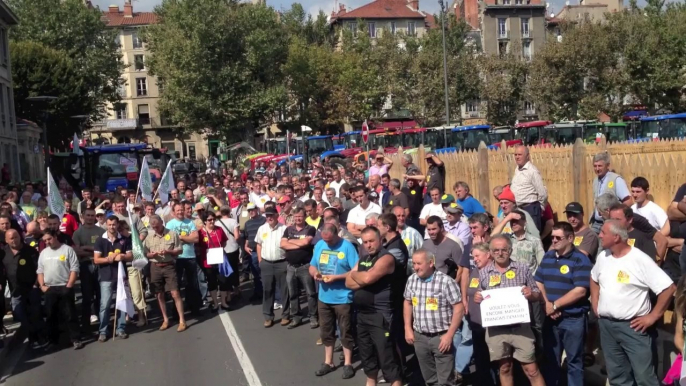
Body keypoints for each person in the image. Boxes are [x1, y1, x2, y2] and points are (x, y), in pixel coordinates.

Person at [590, 220, 675, 386]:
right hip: (607, 326)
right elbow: (594, 279)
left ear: (616, 237)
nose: (599, 235)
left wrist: (653, 316)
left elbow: (668, 288)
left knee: (644, 378)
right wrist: (595, 301)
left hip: (633, 328)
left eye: (603, 233)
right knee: (617, 377)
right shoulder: (603, 256)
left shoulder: (639, 259)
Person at [473, 235, 545, 386]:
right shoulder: (484, 272)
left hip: (521, 328)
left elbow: (537, 294)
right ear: (491, 252)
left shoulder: (522, 268)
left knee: (531, 369)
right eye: (496, 250)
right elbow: (481, 294)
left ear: (510, 250)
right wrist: (478, 297)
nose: (500, 253)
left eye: (504, 250)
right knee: (505, 368)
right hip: (496, 330)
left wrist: (530, 294)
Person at [534, 222, 593, 386]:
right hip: (550, 318)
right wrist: (548, 304)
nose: (553, 241)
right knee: (551, 359)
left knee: (574, 361)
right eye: (552, 237)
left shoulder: (580, 260)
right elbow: (538, 282)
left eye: (558, 237)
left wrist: (555, 305)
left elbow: (580, 290)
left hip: (573, 319)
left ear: (570, 238)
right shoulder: (548, 256)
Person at [346, 227, 404, 386]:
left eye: (371, 241)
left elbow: (367, 278)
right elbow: (348, 282)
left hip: (381, 317)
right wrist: (360, 277)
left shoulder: (386, 258)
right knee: (368, 362)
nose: (368, 245)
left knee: (388, 361)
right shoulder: (363, 258)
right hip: (363, 316)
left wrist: (356, 275)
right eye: (365, 242)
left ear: (380, 240)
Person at [403, 249, 463, 386]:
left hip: (441, 337)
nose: (415, 267)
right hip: (420, 337)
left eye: (419, 263)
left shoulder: (446, 282)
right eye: (414, 264)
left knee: (445, 381)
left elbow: (458, 308)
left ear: (431, 263)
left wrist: (449, 335)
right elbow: (407, 302)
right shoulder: (412, 280)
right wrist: (407, 327)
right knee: (430, 380)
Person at [309, 223, 359, 379]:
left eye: (330, 240)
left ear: (337, 234)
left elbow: (356, 270)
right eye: (325, 240)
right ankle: (328, 361)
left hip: (343, 297)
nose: (327, 243)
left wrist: (337, 277)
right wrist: (315, 273)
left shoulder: (347, 246)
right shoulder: (319, 245)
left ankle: (348, 363)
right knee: (326, 330)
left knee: (345, 330)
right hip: (324, 297)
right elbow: (312, 265)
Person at [37, 229, 83, 350]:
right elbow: (40, 270)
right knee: (51, 316)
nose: (47, 242)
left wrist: (69, 285)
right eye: (45, 240)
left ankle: (75, 339)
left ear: (55, 236)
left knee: (70, 314)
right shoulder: (43, 253)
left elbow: (74, 268)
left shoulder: (67, 249)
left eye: (49, 239)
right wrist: (42, 286)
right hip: (49, 288)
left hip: (64, 286)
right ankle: (53, 341)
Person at [0, 229, 47, 349]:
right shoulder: (3, 253)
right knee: (20, 314)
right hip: (15, 290)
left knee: (35, 314)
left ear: (20, 237)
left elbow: (39, 269)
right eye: (11, 238)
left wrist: (36, 284)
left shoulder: (30, 251)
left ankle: (38, 338)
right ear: (6, 240)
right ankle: (31, 333)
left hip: (31, 289)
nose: (14, 240)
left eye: (16, 237)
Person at [93, 215, 133, 341]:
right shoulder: (100, 240)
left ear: (117, 225)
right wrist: (108, 259)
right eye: (109, 224)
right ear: (106, 225)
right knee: (105, 304)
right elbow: (96, 260)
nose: (111, 227)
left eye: (114, 224)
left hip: (120, 276)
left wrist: (122, 257)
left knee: (121, 302)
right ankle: (103, 331)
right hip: (106, 276)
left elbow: (130, 256)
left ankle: (120, 328)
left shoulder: (125, 239)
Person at [144, 215, 186, 331]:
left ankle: (182, 320)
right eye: (153, 227)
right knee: (159, 294)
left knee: (175, 293)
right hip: (155, 267)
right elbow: (145, 253)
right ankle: (165, 319)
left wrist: (169, 251)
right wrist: (150, 255)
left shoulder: (172, 234)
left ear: (162, 223)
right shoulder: (149, 236)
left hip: (169, 266)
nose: (155, 229)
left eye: (157, 226)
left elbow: (180, 249)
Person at [280, 207, 318, 329]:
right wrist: (298, 243)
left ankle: (313, 317)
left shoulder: (310, 229)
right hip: (291, 267)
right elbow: (282, 244)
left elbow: (306, 243)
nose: (297, 219)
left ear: (304, 216)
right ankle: (296, 317)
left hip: (305, 266)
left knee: (310, 293)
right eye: (295, 216)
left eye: (300, 216)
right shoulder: (288, 229)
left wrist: (291, 242)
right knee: (293, 294)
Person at [465, 243, 496, 386]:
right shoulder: (475, 271)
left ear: (488, 254)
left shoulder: (495, 271)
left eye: (477, 255)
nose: (475, 259)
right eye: (473, 256)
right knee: (480, 360)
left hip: (491, 326)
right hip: (476, 324)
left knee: (494, 362)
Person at [166, 203, 202, 315]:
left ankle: (194, 308)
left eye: (182, 210)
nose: (180, 212)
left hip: (190, 256)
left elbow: (196, 239)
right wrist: (188, 237)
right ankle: (176, 312)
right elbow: (168, 241)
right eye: (178, 210)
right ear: (173, 212)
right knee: (176, 286)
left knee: (192, 283)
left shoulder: (190, 222)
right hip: (177, 258)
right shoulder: (170, 224)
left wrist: (180, 237)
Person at [255, 206, 289, 327]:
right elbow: (258, 245)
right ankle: (268, 316)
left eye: (271, 215)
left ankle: (285, 315)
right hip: (266, 263)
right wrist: (260, 260)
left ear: (276, 215)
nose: (269, 217)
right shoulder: (261, 229)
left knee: (284, 290)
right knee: (267, 290)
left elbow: (288, 245)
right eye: (267, 215)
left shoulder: (284, 229)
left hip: (281, 263)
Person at [71, 208, 104, 332]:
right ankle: (85, 326)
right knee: (87, 296)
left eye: (92, 215)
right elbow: (76, 250)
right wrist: (95, 249)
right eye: (88, 215)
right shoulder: (77, 233)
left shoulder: (101, 231)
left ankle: (103, 323)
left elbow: (104, 249)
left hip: (100, 265)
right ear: (83, 216)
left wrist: (87, 248)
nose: (90, 217)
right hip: (85, 266)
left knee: (101, 295)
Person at [590, 152, 633, 233]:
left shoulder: (616, 179)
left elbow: (628, 201)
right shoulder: (596, 180)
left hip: (610, 223)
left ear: (608, 165)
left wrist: (615, 214)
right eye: (595, 166)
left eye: (600, 166)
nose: (597, 169)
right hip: (596, 223)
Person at [510, 145, 547, 232]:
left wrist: (539, 208)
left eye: (520, 155)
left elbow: (542, 193)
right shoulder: (517, 169)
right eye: (515, 155)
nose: (517, 157)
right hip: (518, 209)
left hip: (530, 209)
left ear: (527, 156)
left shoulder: (532, 171)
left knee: (533, 235)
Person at [198, 211, 229, 312]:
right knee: (212, 282)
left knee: (223, 281)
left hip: (220, 260)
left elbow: (224, 242)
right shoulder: (200, 233)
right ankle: (215, 303)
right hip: (208, 261)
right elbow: (198, 246)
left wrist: (218, 251)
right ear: (204, 221)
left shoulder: (219, 230)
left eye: (213, 219)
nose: (212, 221)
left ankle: (223, 302)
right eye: (209, 220)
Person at [421, 216, 465, 283]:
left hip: (446, 284)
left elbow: (461, 269)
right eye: (429, 229)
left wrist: (453, 284)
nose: (431, 232)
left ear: (441, 228)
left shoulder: (453, 245)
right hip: (428, 284)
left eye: (434, 229)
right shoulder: (425, 245)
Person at [215, 206, 241, 303]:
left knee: (225, 271)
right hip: (233, 248)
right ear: (229, 212)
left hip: (222, 249)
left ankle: (228, 293)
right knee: (234, 269)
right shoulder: (233, 221)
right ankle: (236, 289)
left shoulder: (217, 223)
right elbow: (237, 236)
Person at [243, 203, 265, 301]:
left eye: (252, 209)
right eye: (249, 210)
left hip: (263, 251)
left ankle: (267, 293)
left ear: (257, 209)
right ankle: (258, 293)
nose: (251, 212)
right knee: (256, 275)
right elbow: (247, 237)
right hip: (252, 252)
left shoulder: (263, 220)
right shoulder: (247, 223)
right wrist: (245, 246)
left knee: (264, 273)